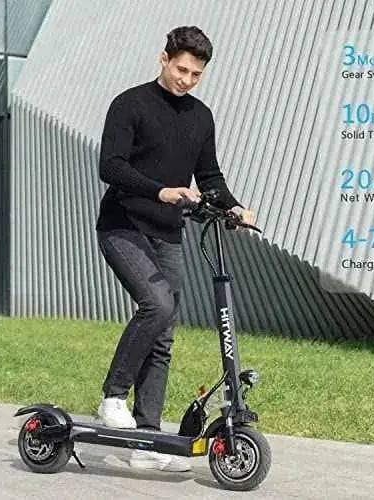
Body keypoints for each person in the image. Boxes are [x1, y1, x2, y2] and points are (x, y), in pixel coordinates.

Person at [95, 26, 255, 472]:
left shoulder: (201, 117)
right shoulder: (130, 104)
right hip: (123, 225)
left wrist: (234, 206)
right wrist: (159, 191)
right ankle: (112, 397)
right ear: (163, 58)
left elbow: (210, 176)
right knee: (158, 305)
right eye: (181, 69)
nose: (187, 80)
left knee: (164, 334)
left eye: (196, 74)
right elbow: (110, 166)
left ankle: (145, 442)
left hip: (167, 233)